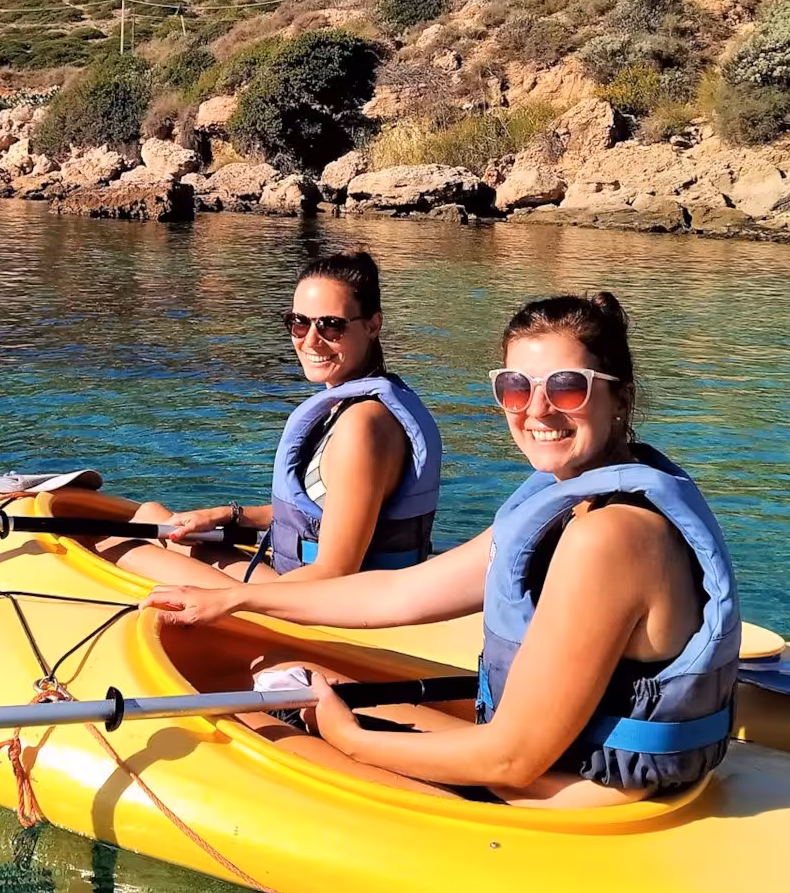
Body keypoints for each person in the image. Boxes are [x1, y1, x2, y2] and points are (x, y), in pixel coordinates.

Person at [143, 292, 740, 809]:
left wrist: (349, 737)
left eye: (568, 387)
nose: (536, 410)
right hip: (566, 763)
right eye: (515, 387)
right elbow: (401, 592)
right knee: (277, 676)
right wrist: (236, 600)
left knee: (241, 718)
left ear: (620, 399)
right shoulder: (575, 499)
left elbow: (511, 760)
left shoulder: (610, 534)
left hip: (577, 794)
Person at [108, 251, 442, 585]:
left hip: (327, 603)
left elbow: (335, 573)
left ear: (372, 325)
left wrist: (226, 601)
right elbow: (327, 516)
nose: (311, 340)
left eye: (331, 325)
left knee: (122, 546)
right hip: (306, 582)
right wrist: (230, 515)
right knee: (152, 516)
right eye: (299, 323)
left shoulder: (362, 426)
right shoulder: (352, 407)